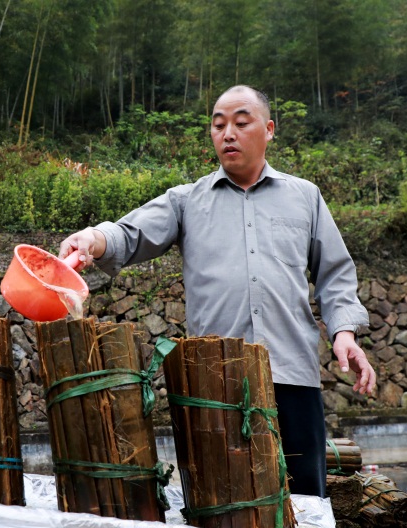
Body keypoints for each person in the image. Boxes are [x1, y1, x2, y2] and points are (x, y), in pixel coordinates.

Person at [58, 85, 376, 498]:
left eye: (241, 123)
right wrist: (91, 238)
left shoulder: (305, 198)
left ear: (269, 129)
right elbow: (128, 233)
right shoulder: (187, 201)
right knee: (219, 503)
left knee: (303, 502)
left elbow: (335, 274)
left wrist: (344, 333)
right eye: (218, 124)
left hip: (292, 377)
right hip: (213, 384)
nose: (228, 133)